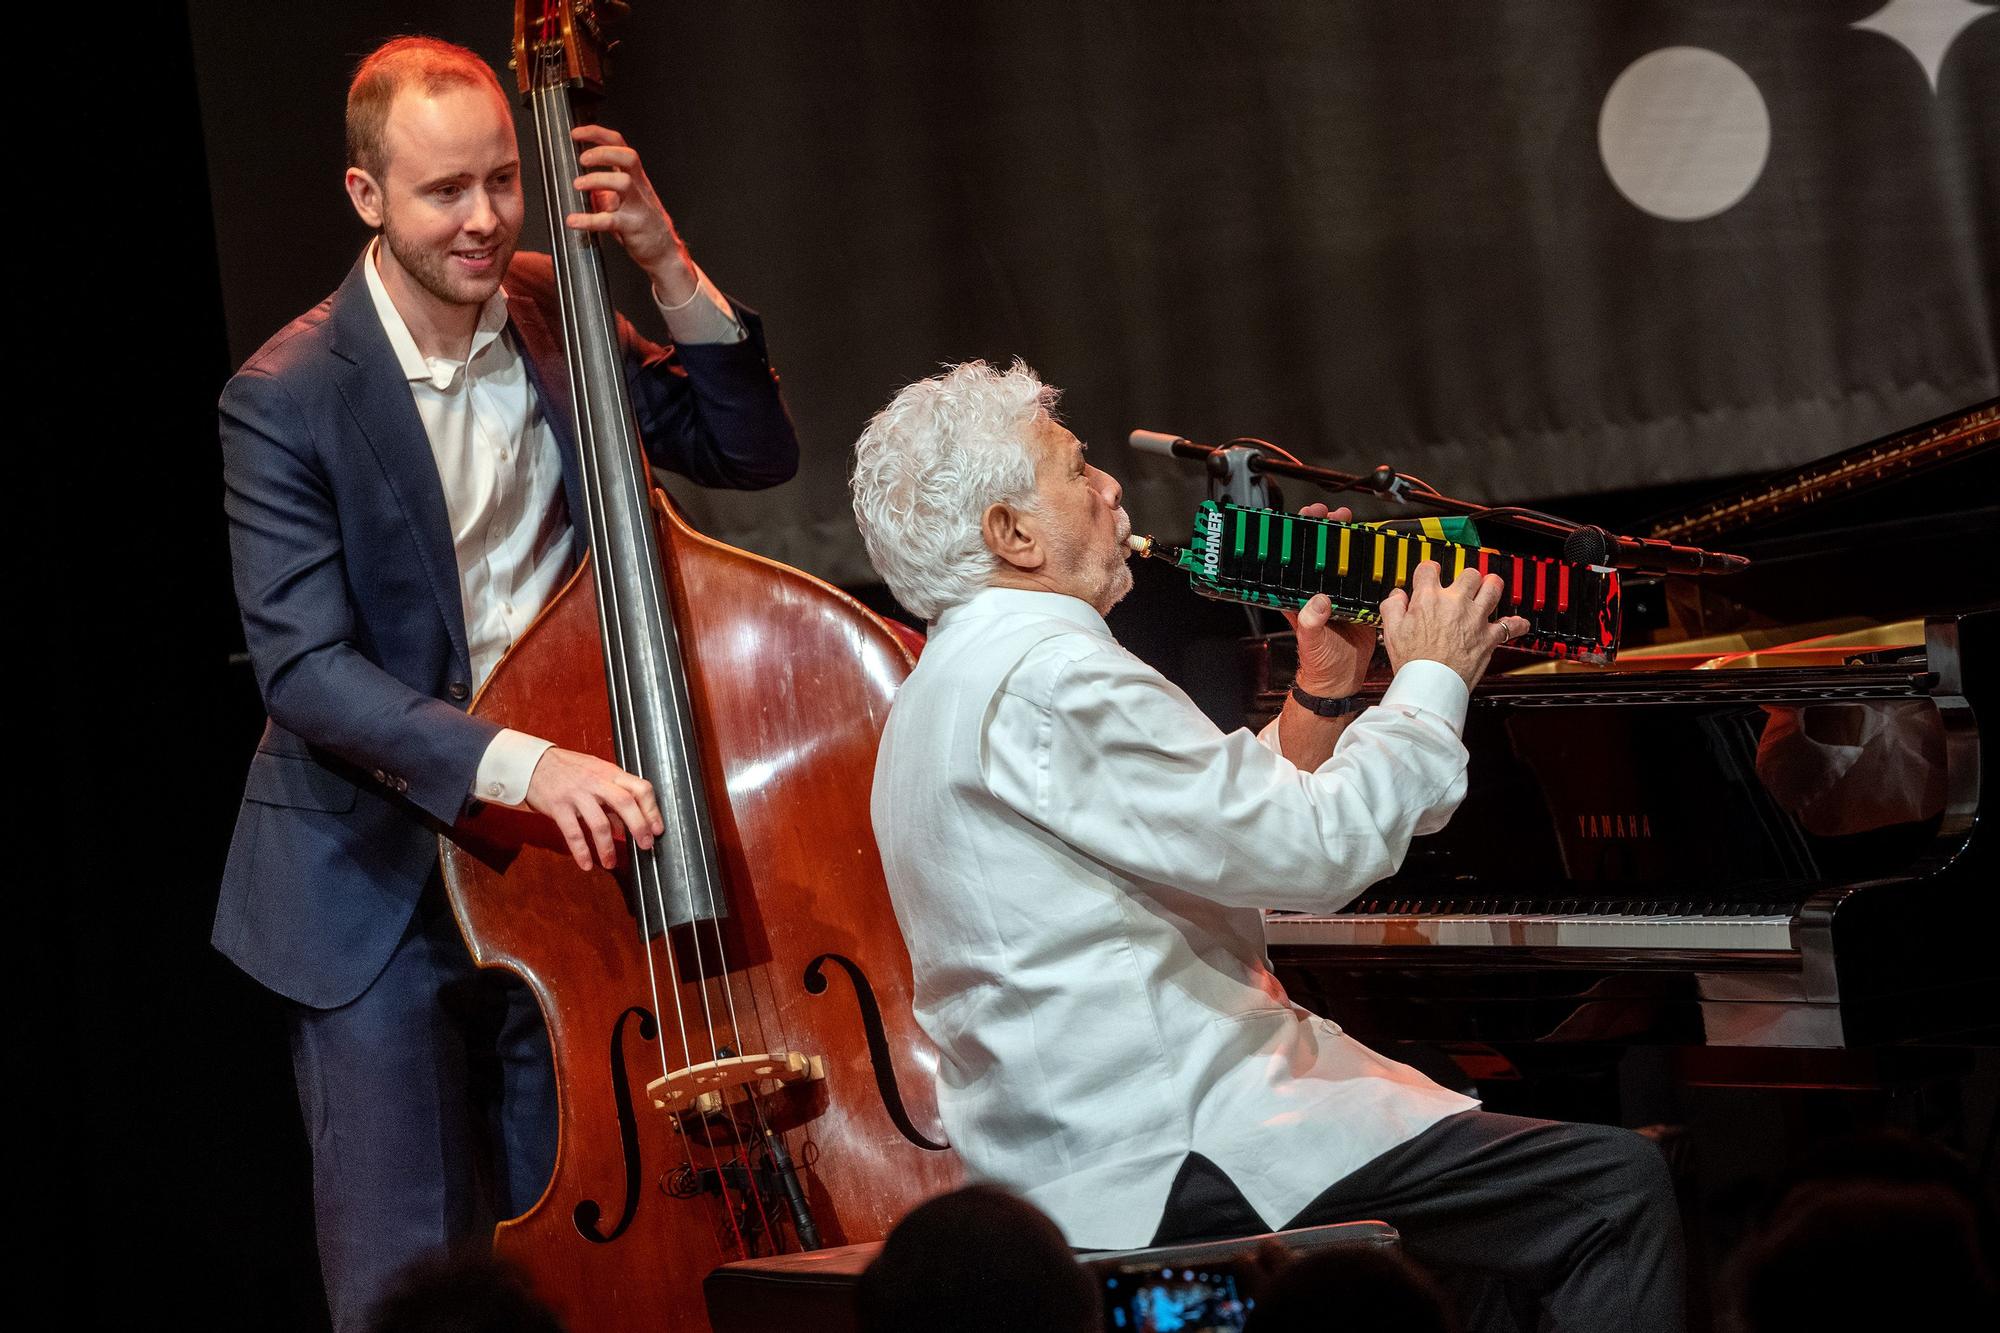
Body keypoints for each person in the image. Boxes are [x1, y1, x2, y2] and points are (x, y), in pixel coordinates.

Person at [849, 360, 1686, 1332]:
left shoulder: (946, 683)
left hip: (1059, 1148)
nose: (1111, 488)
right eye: (1076, 471)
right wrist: (1429, 681)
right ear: (1012, 533)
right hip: (1172, 1139)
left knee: (1474, 1253)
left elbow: (1205, 824)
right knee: (1610, 1191)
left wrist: (1324, 693)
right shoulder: (1054, 674)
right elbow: (1314, 853)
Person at [214, 36, 798, 1331]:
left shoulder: (551, 304)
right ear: (367, 195)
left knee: (584, 1237)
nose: (483, 220)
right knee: (405, 1277)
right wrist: (526, 764)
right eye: (442, 192)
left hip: (558, 864)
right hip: (372, 876)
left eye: (500, 182)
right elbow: (308, 669)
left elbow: (747, 450)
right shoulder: (285, 395)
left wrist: (666, 261)